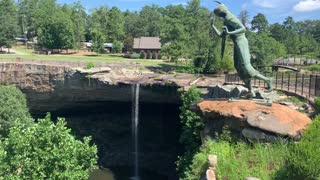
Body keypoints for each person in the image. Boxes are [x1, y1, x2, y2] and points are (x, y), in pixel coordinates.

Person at [211, 2, 272, 97]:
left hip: (241, 42)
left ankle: (268, 80)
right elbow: (221, 35)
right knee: (239, 68)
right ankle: (250, 90)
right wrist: (213, 26)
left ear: (220, 13)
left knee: (246, 67)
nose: (218, 16)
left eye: (218, 15)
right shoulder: (225, 20)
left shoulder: (229, 17)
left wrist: (229, 32)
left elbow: (243, 29)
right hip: (237, 44)